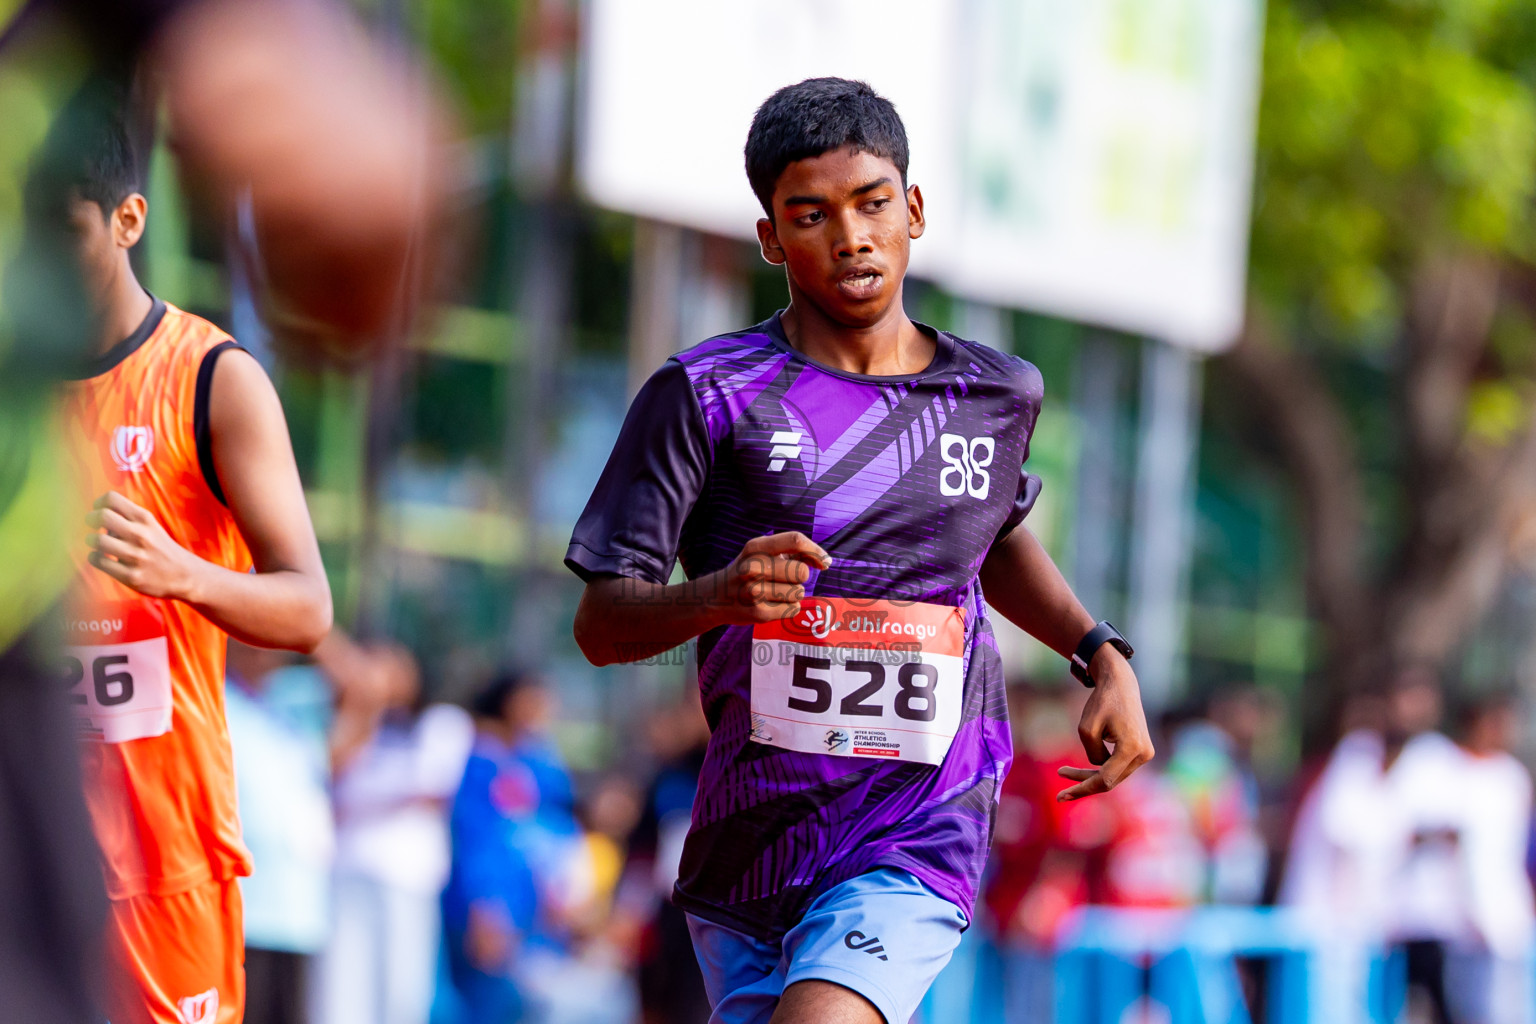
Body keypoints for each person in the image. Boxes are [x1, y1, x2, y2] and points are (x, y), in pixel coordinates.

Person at [566, 77, 1154, 1024]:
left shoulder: (994, 395)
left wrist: (1101, 653)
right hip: (753, 846)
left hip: (916, 831)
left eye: (872, 204)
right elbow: (601, 625)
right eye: (811, 215)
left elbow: (992, 535)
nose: (851, 237)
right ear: (772, 239)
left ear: (912, 210)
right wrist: (718, 596)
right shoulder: (707, 393)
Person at [47, 98, 332, 1023]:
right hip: (32, 842)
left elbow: (309, 608)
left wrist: (185, 574)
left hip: (161, 860)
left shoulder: (214, 379)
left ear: (128, 219)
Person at [316, 632, 473, 1024]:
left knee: (401, 992)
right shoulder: (349, 722)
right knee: (340, 992)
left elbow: (429, 787)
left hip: (406, 877)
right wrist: (361, 709)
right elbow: (326, 778)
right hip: (344, 872)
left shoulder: (442, 722)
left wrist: (355, 800)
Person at [224, 641, 336, 1024]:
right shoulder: (215, 696)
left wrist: (303, 626)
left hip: (299, 912)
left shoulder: (299, 699)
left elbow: (368, 686)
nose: (262, 652)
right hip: (243, 911)